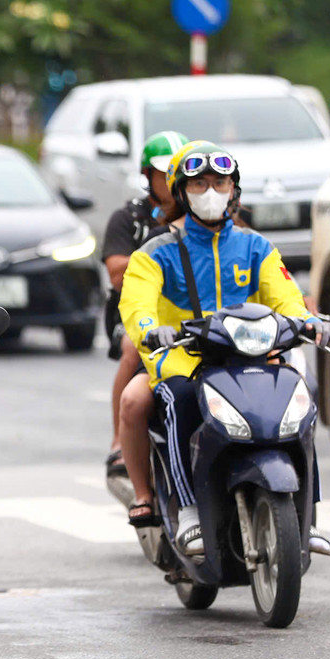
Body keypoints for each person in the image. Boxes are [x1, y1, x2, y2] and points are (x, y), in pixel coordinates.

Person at [118, 142, 330, 556]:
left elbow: (286, 296)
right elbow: (136, 304)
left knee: (299, 401)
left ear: (234, 189)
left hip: (251, 357)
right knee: (177, 399)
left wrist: (308, 321)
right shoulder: (155, 252)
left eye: (219, 182)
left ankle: (307, 519)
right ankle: (189, 513)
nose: (210, 190)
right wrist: (150, 329)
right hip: (184, 359)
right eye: (199, 183)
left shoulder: (256, 247)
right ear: (181, 191)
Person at [100, 131, 188, 484]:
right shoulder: (130, 219)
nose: (172, 180)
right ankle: (121, 438)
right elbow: (117, 274)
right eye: (163, 172)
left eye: (179, 172)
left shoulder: (211, 219)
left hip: (189, 312)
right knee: (133, 346)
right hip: (133, 309)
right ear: (146, 175)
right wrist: (158, 252)